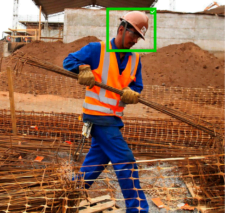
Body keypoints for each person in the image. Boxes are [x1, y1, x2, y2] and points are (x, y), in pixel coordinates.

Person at [63, 11, 149, 213]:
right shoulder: (96, 49)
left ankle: (69, 193)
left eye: (138, 37)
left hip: (113, 119)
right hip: (97, 118)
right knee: (125, 160)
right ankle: (138, 209)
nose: (135, 40)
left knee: (96, 162)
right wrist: (83, 69)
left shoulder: (135, 60)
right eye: (133, 35)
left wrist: (132, 93)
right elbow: (68, 61)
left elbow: (137, 87)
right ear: (122, 29)